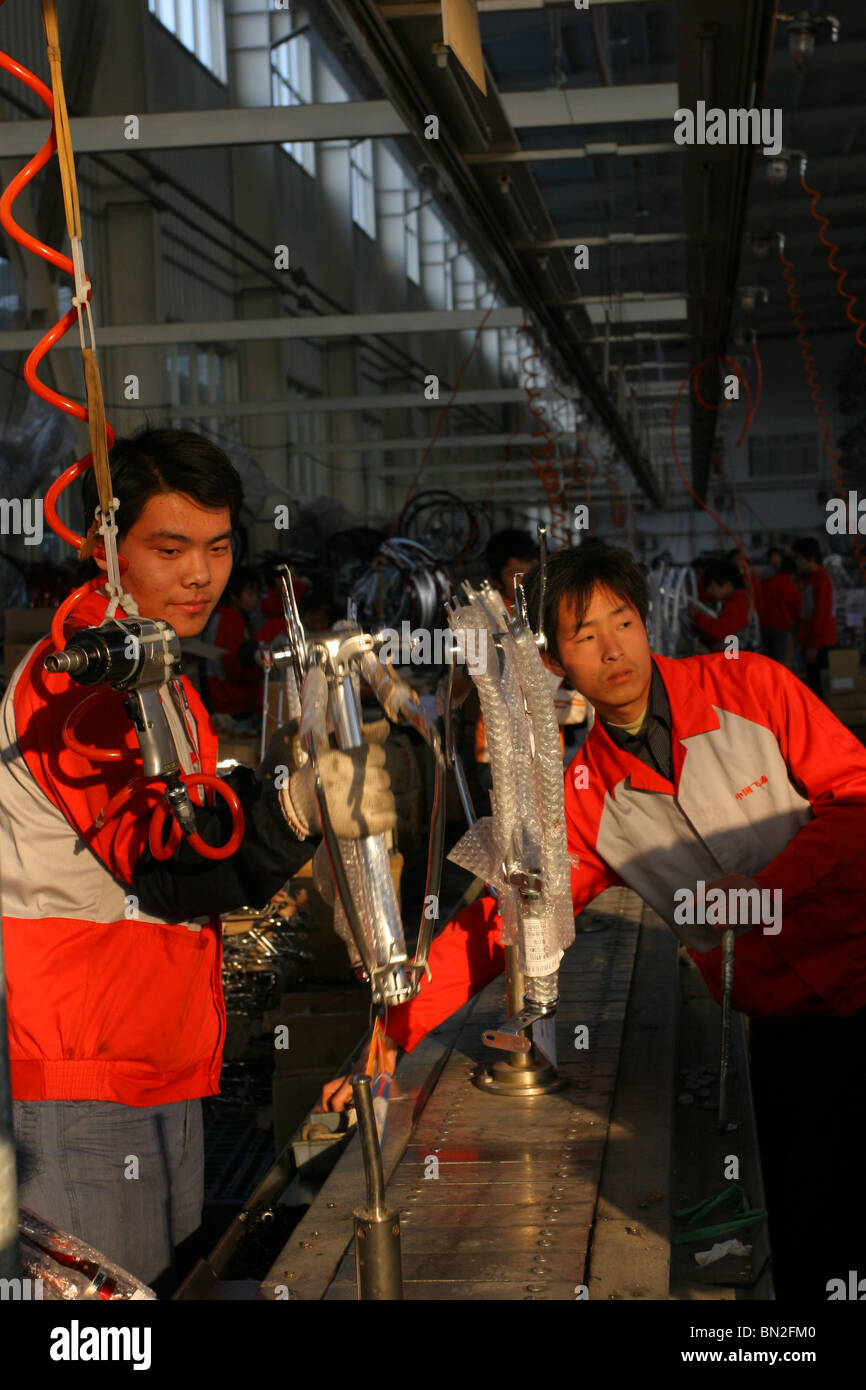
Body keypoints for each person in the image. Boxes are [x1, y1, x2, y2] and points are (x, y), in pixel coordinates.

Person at [322, 542, 866, 1300]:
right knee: (812, 1230)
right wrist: (388, 1038)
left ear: (647, 623)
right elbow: (504, 921)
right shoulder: (585, 798)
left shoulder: (754, 689)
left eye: (624, 620)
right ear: (552, 664)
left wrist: (770, 890)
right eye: (584, 635)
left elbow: (856, 798)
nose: (614, 649)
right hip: (784, 1026)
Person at [0, 427, 395, 1294]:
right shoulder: (85, 686)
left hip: (151, 1051)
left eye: (217, 548)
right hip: (79, 1074)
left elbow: (189, 812)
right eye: (168, 548)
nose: (200, 575)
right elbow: (171, 869)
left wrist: (267, 789)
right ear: (108, 549)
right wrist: (294, 809)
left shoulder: (157, 672)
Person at [203, 563, 263, 722]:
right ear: (233, 595)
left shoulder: (220, 617)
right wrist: (263, 668)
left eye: (256, 594)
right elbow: (235, 668)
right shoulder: (232, 622)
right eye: (250, 594)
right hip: (234, 703)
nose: (255, 600)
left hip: (222, 699)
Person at [792, 537, 837, 697]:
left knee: (819, 690)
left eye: (799, 558)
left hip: (819, 646)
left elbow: (821, 616)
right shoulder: (808, 581)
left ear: (810, 558)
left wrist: (814, 646)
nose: (797, 563)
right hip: (811, 644)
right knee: (813, 688)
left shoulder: (821, 581)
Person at [692, 558, 751, 653]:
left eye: (712, 585)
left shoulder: (739, 603)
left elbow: (722, 631)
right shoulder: (732, 601)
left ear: (727, 584)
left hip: (736, 661)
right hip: (734, 658)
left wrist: (697, 617)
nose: (710, 591)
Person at [757, 549, 801, 668]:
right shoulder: (790, 586)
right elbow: (797, 610)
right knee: (778, 663)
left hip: (762, 626)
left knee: (764, 661)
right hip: (780, 629)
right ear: (793, 573)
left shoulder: (766, 582)